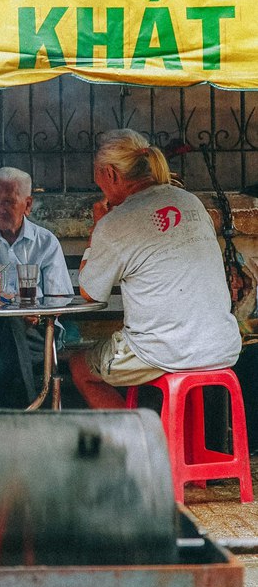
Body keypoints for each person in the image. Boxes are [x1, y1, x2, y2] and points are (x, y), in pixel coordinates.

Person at [69, 129, 242, 409]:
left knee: (79, 367)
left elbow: (91, 293)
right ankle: (170, 443)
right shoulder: (190, 201)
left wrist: (98, 231)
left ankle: (139, 446)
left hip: (164, 353)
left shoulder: (117, 222)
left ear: (111, 174)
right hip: (221, 346)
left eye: (98, 177)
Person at [0, 167, 73, 406]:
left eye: (8, 202)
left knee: (5, 344)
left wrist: (37, 314)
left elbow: (59, 298)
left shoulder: (45, 242)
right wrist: (10, 309)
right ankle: (31, 407)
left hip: (37, 332)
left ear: (28, 204)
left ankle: (1, 414)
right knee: (8, 322)